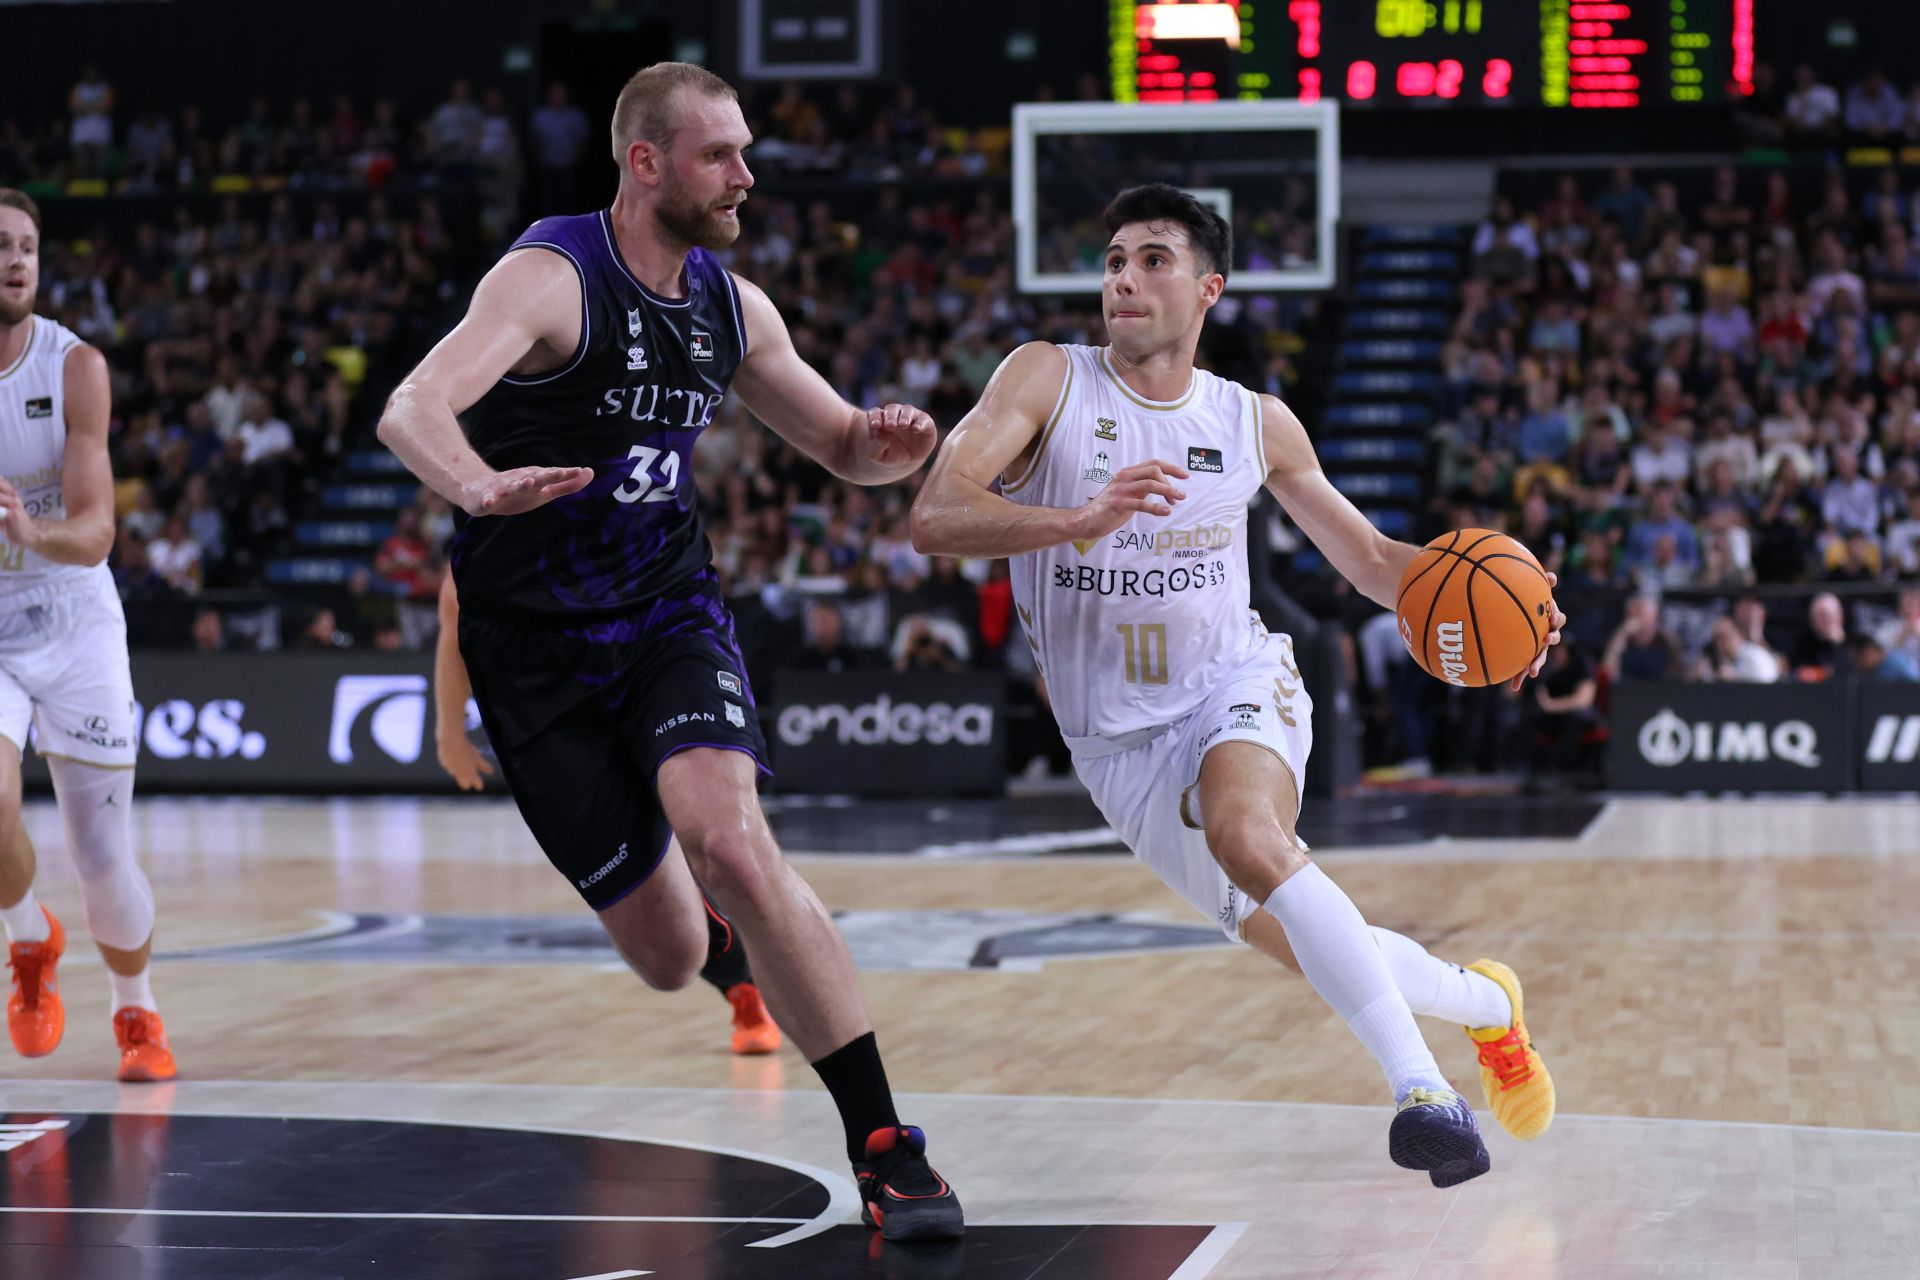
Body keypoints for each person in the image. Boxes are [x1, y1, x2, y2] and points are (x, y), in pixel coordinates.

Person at [376, 63, 961, 1241]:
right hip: (532, 650)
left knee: (732, 836)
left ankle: (888, 1146)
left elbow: (842, 442)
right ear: (646, 163)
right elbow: (410, 409)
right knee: (664, 951)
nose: (746, 175)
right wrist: (479, 483)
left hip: (664, 613)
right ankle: (728, 951)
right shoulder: (550, 277)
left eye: (745, 152)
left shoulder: (732, 308)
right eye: (720, 155)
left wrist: (888, 440)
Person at [910, 184, 1566, 1187]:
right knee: (1313, 942)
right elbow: (935, 513)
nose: (1124, 277)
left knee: (1249, 835)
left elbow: (1377, 562)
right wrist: (1073, 519)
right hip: (1114, 748)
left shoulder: (1255, 422)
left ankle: (1423, 1091)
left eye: (1154, 259)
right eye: (1115, 259)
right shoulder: (1046, 379)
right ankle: (1489, 1006)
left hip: (1235, 682)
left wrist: (1511, 613)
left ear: (1208, 287)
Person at [430, 574, 780, 1056]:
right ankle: (737, 981)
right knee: (660, 908)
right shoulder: (478, 557)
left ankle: (745, 988)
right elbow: (455, 628)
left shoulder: (609, 525)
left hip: (645, 679)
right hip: (561, 726)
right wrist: (449, 730)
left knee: (708, 842)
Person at [0, 189, 175, 1082]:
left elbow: (99, 530)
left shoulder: (75, 367)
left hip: (72, 616)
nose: (16, 260)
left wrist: (31, 535)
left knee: (102, 855)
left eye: (26, 246)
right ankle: (28, 939)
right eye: (1, 246)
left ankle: (134, 1009)